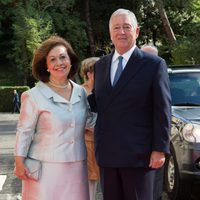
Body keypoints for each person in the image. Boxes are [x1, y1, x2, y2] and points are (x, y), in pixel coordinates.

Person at [88, 8, 171, 200]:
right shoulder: (100, 66)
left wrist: (159, 149)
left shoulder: (154, 64)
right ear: (110, 33)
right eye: (116, 27)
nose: (121, 32)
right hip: (108, 155)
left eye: (127, 27)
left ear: (137, 31)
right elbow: (100, 105)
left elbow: (162, 109)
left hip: (139, 157)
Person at [14, 36, 96, 200]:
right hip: (45, 170)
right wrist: (19, 162)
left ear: (70, 60)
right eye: (53, 59)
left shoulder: (81, 92)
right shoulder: (33, 96)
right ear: (46, 66)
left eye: (63, 57)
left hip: (77, 167)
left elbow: (90, 121)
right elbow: (24, 132)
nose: (59, 63)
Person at [141, 44, 164, 200]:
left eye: (152, 58)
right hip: (135, 145)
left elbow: (163, 112)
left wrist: (159, 148)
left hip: (155, 144)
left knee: (154, 187)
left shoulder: (161, 76)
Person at [80, 57, 100, 200]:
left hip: (106, 141)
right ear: (89, 73)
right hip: (88, 142)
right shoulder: (80, 92)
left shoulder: (106, 89)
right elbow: (79, 119)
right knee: (90, 179)